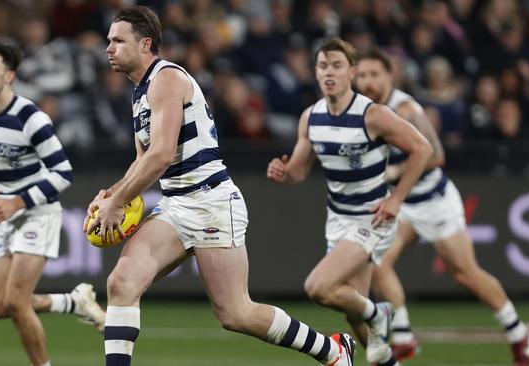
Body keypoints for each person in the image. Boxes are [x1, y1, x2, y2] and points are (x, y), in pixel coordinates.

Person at [83, 6, 356, 366]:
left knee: (236, 313)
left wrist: (119, 200)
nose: (109, 47)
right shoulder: (139, 93)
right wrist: (111, 195)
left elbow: (162, 154)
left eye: (118, 40)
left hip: (211, 201)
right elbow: (142, 160)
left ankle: (333, 350)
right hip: (176, 205)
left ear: (145, 43)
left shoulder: (165, 78)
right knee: (122, 282)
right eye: (108, 41)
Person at [356, 49, 529, 365]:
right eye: (363, 75)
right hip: (403, 205)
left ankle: (517, 330)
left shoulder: (406, 109)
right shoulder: (365, 110)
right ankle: (403, 335)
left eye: (374, 75)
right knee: (376, 261)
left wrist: (395, 172)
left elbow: (436, 155)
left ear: (389, 76)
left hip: (433, 200)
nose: (368, 81)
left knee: (464, 273)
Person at [266, 37, 433, 366]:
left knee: (317, 287)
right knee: (352, 313)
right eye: (323, 65)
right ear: (315, 72)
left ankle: (380, 312)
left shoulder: (373, 115)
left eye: (337, 65)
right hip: (338, 220)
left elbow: (423, 149)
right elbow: (299, 171)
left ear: (352, 72)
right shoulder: (310, 118)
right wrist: (284, 173)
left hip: (371, 218)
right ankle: (383, 344)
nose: (330, 72)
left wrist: (397, 199)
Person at [0, 38, 105, 366]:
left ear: (9, 76)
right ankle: (74, 302)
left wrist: (19, 201)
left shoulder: (30, 118)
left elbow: (63, 172)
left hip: (37, 212)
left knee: (16, 302)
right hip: (4, 216)